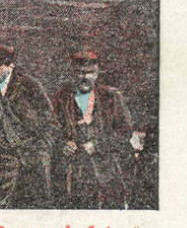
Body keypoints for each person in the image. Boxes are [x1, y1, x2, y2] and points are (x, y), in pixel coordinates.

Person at [0, 43, 56, 208]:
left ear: (10, 64)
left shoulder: (30, 86)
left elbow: (49, 122)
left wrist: (40, 148)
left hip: (28, 157)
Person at [52, 50, 138, 209]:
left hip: (107, 171)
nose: (85, 77)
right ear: (73, 73)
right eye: (80, 73)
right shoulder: (62, 98)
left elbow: (124, 131)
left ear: (97, 73)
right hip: (75, 171)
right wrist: (63, 143)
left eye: (90, 73)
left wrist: (96, 146)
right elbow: (51, 129)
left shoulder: (111, 97)